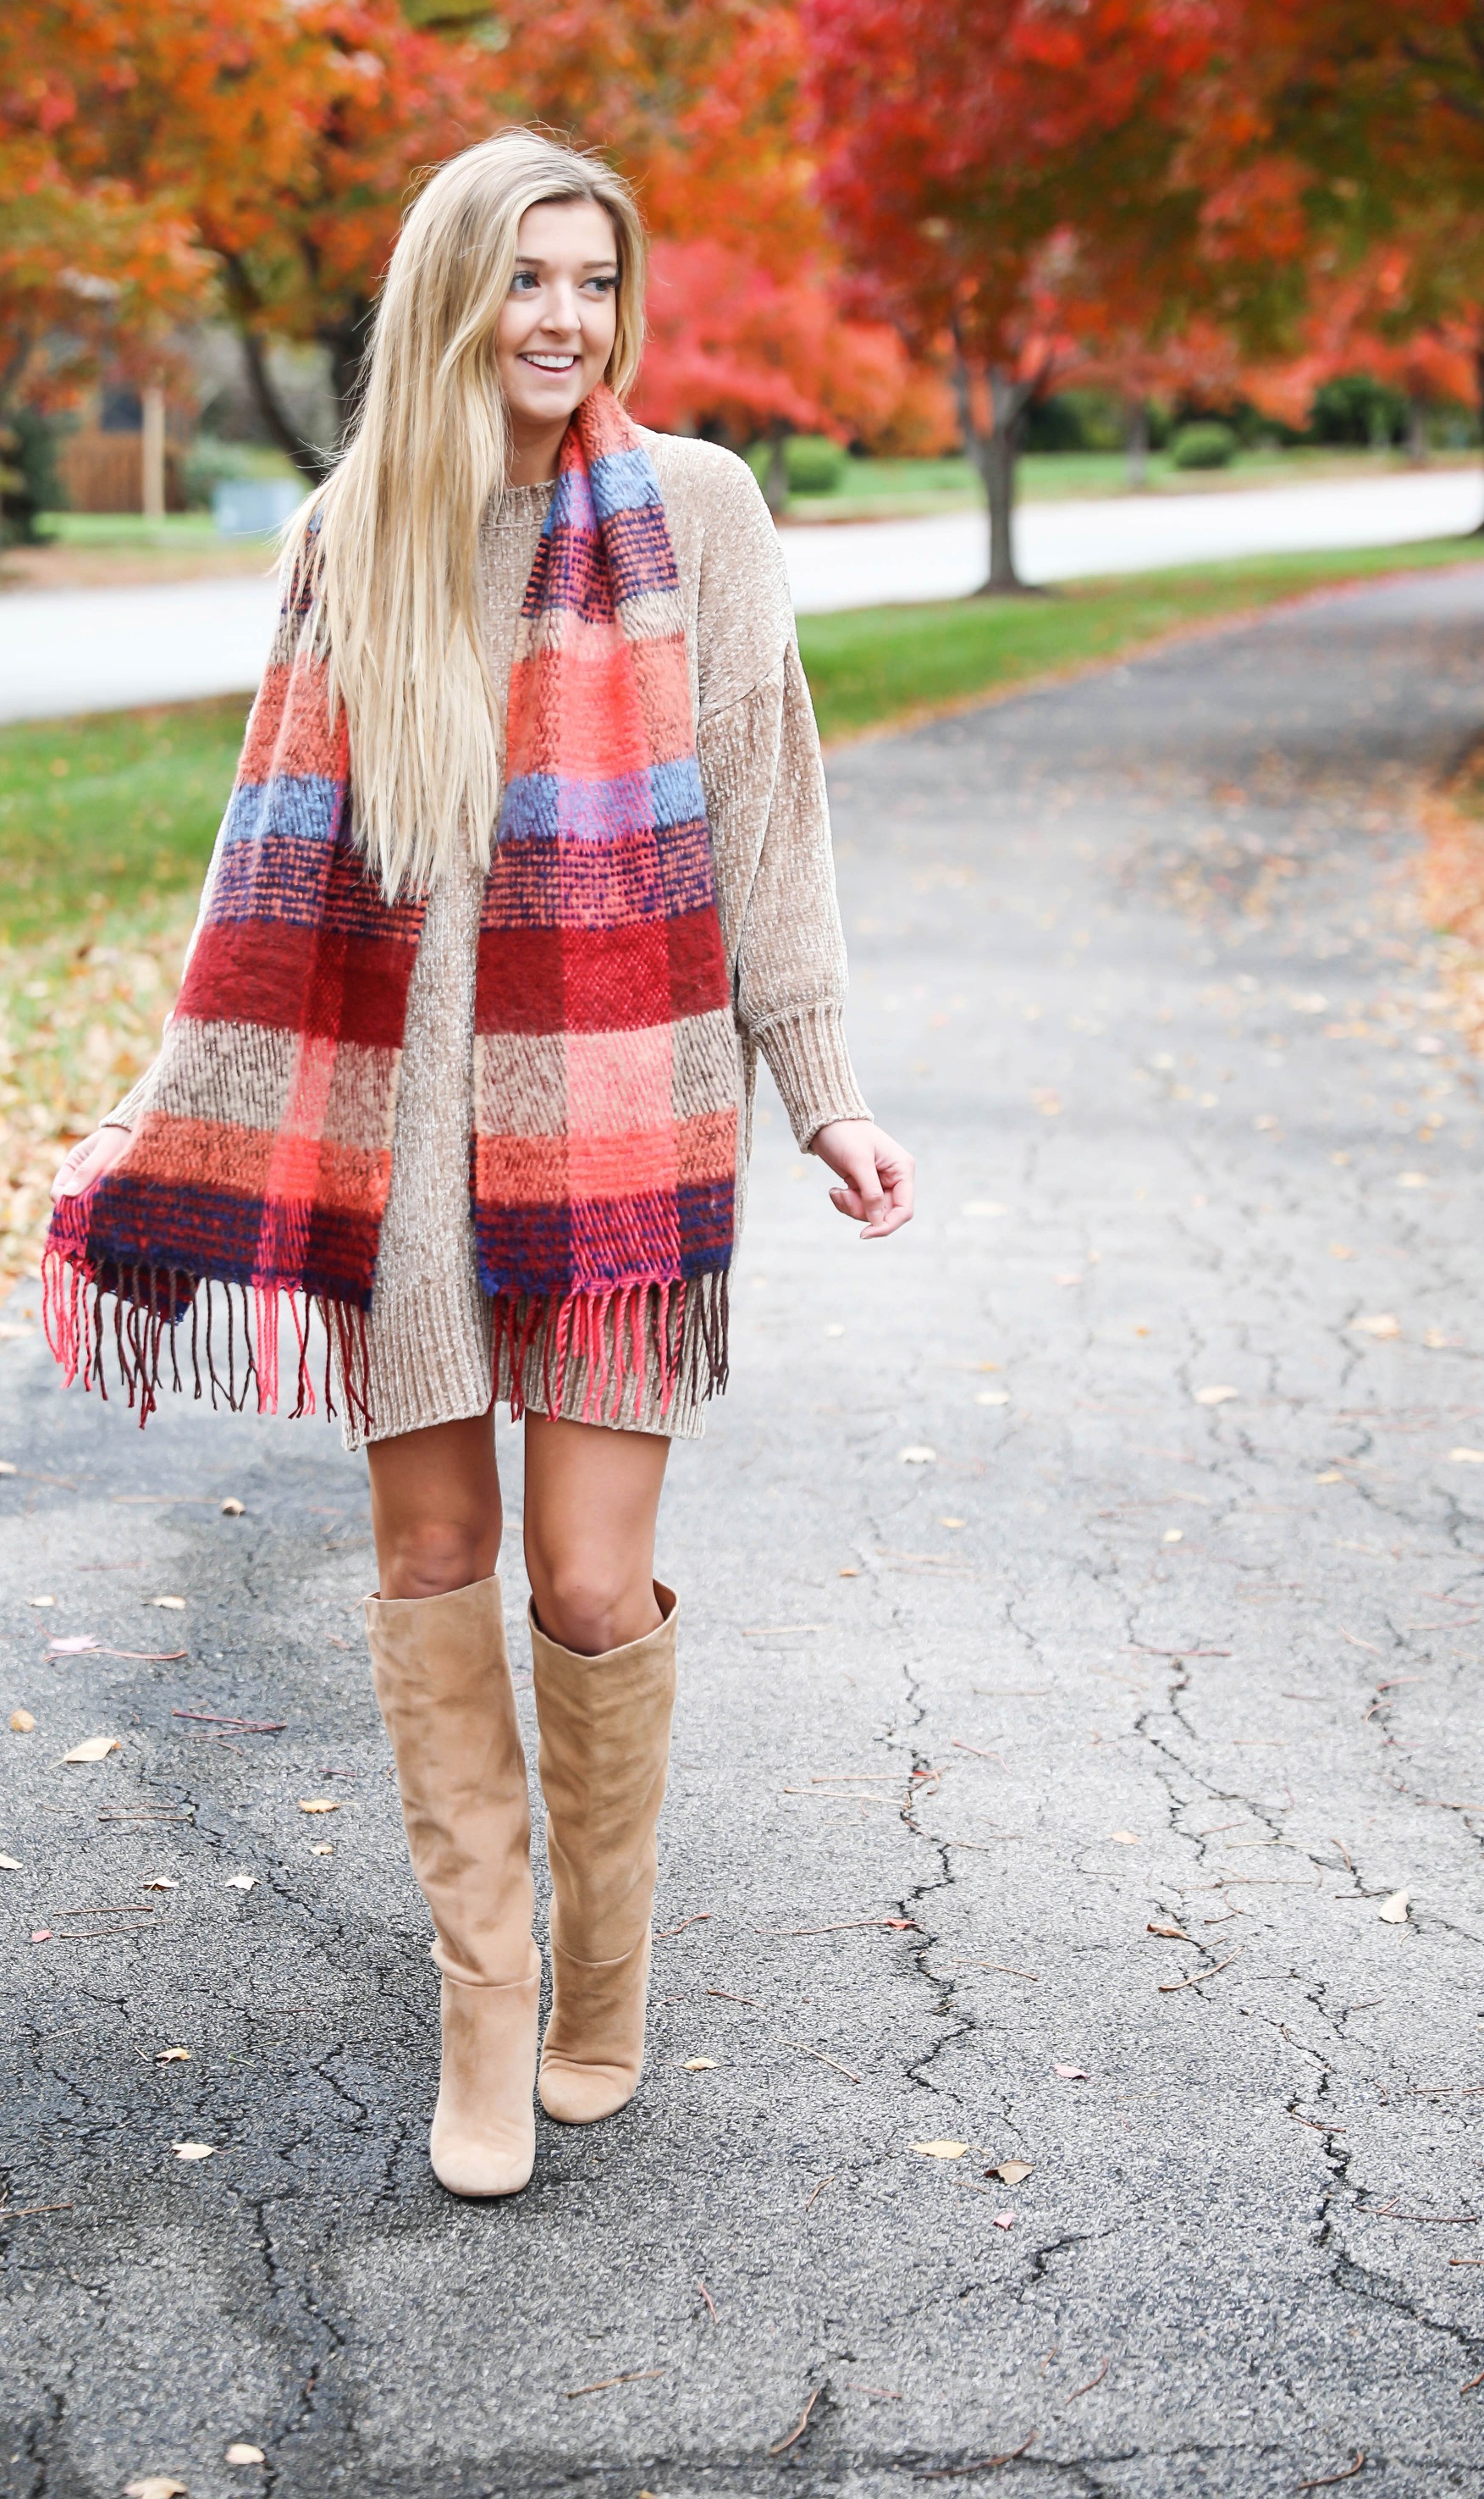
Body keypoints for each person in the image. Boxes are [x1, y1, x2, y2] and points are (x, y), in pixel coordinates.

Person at [45, 129, 914, 2200]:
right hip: (404, 1148)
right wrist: (176, 1103)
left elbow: (768, 817)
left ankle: (603, 1971)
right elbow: (267, 856)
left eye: (594, 283)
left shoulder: (696, 510)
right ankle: (485, 2008)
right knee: (433, 1566)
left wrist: (825, 1087)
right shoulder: (364, 530)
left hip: (621, 1119)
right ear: (456, 293)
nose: (562, 319)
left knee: (589, 1583)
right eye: (527, 279)